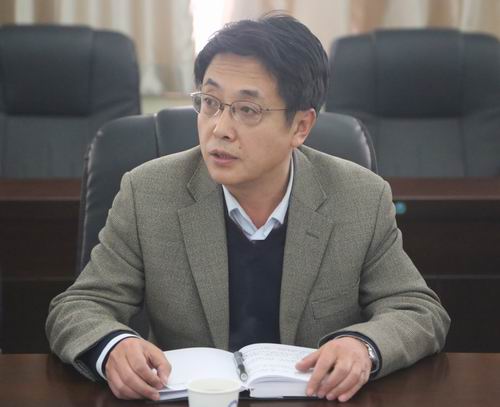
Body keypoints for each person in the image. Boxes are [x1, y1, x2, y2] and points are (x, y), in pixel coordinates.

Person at [46, 13, 450, 402]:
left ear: (301, 126)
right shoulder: (148, 193)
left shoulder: (359, 198)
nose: (219, 128)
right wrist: (113, 346)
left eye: (247, 110)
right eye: (210, 102)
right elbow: (79, 306)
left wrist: (363, 346)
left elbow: (417, 310)